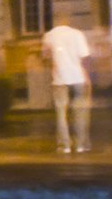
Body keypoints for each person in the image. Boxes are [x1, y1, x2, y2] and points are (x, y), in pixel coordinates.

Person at [42, 14, 92, 153]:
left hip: (59, 79)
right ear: (67, 22)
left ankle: (65, 145)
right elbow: (85, 57)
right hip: (78, 78)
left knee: (61, 113)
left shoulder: (49, 35)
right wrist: (87, 77)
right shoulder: (77, 34)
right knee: (80, 111)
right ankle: (81, 145)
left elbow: (45, 56)